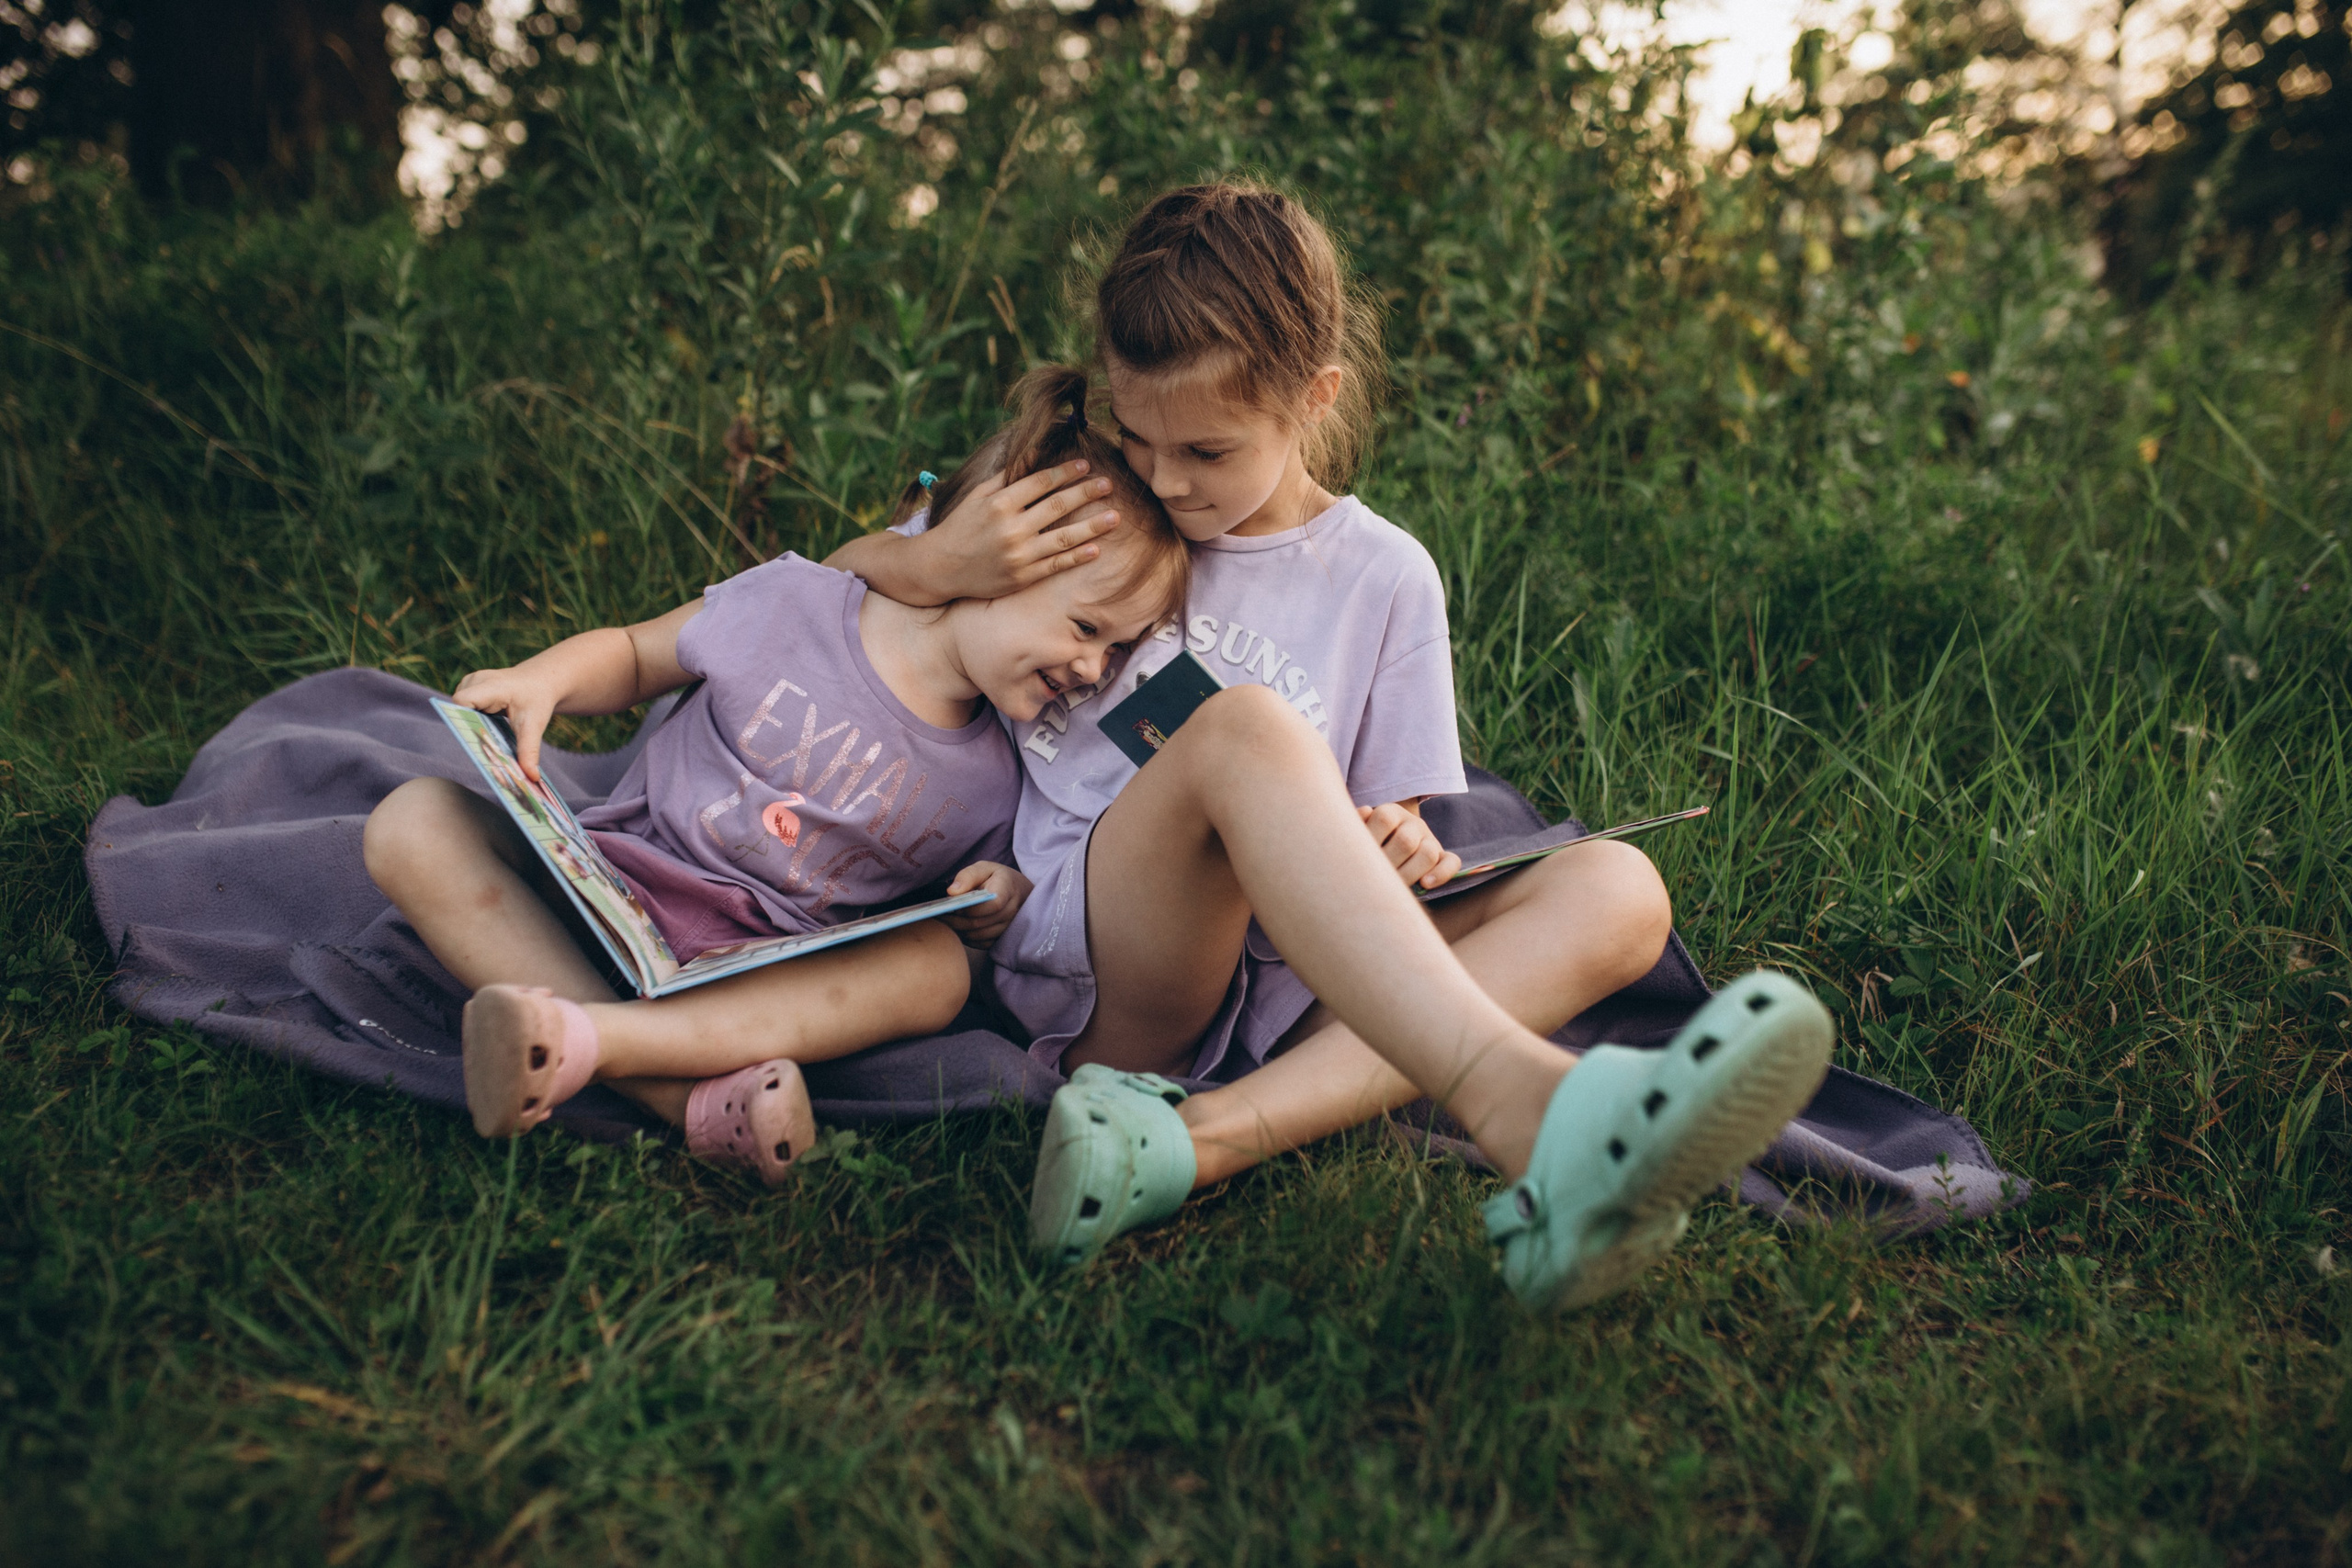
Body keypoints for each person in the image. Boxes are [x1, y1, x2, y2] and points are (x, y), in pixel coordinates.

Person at [830, 181, 1834, 1312]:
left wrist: (1395, 833)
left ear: (1313, 398)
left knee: (1620, 890)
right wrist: (924, 563)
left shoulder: (1383, 577)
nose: (1163, 480)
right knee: (1242, 729)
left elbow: (1381, 812)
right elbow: (810, 606)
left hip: (1288, 987)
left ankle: (1194, 1145)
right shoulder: (1082, 498)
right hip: (1107, 961)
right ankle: (1527, 1106)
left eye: (1206, 449)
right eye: (1136, 433)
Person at [362, 371, 1189, 1186]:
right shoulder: (801, 600)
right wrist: (544, 680)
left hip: (757, 981)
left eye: (1116, 651)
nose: (1092, 668)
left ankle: (578, 1040)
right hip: (616, 887)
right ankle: (668, 1090)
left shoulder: (1002, 765)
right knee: (414, 819)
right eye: (1086, 628)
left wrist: (996, 890)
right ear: (1003, 557)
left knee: (937, 970)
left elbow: (960, 889)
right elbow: (638, 650)